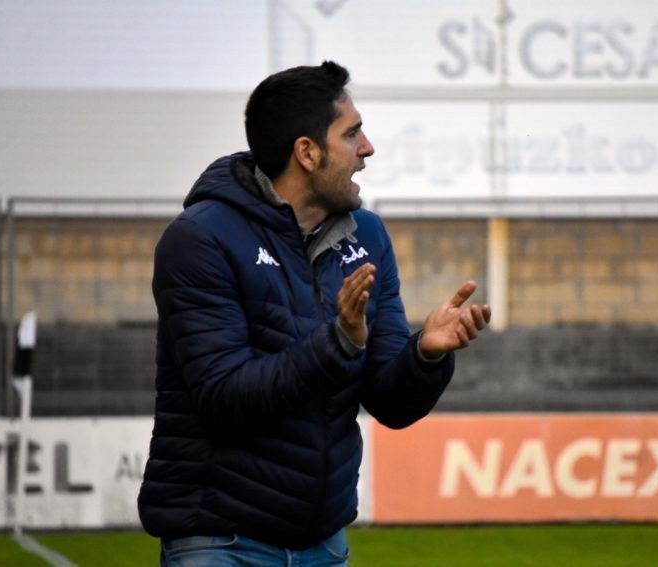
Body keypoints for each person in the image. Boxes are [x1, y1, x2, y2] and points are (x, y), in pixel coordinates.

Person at [138, 60, 491, 566]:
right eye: (352, 134)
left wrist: (425, 356)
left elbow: (389, 403)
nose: (367, 148)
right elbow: (223, 396)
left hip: (323, 544)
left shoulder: (366, 236)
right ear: (306, 152)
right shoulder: (200, 239)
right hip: (221, 542)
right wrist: (338, 343)